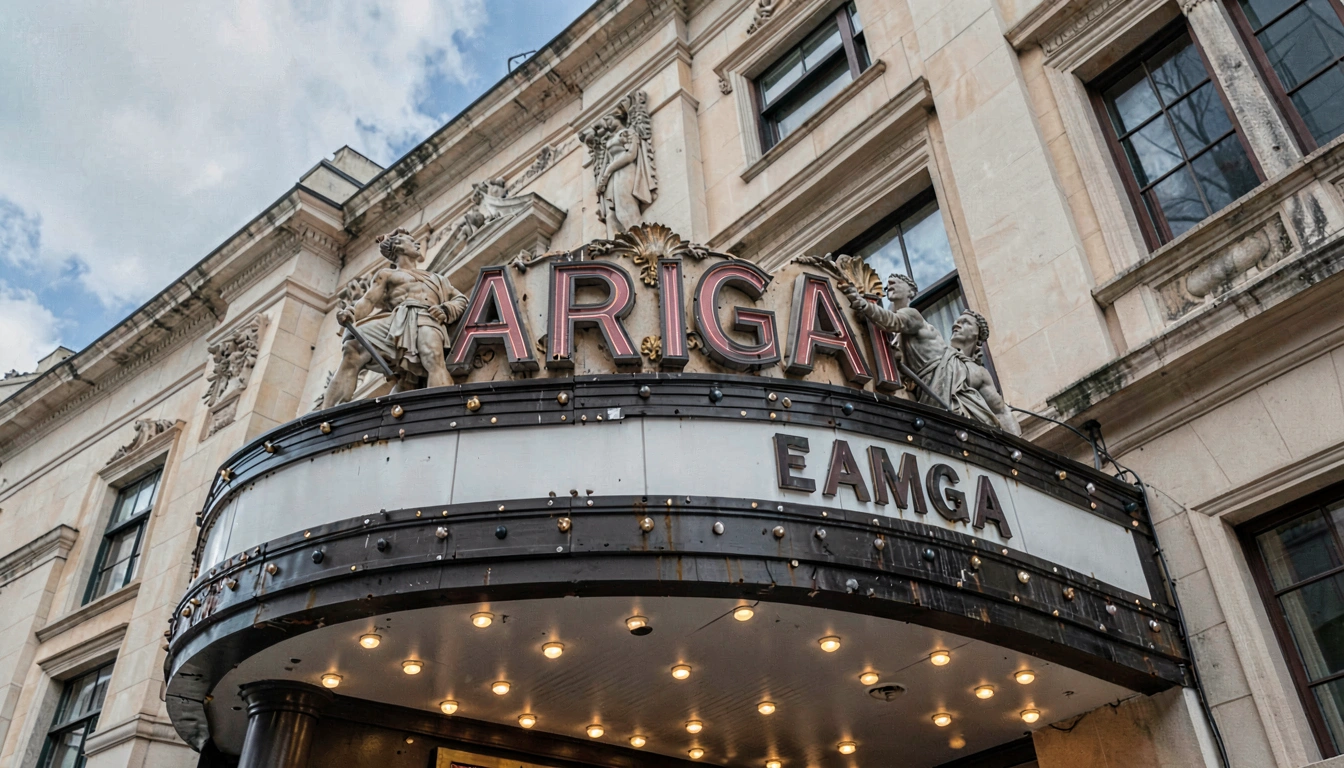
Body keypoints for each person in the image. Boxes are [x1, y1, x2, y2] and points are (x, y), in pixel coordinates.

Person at [842, 275, 1020, 435]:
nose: (956, 325)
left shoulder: (975, 370)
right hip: (934, 412)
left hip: (968, 419)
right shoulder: (907, 336)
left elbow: (1000, 411)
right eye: (956, 322)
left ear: (976, 335)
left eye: (965, 323)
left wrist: (1017, 449)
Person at [320, 228, 468, 408]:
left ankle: (440, 410)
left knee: (433, 359)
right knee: (352, 348)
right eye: (410, 240)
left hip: (426, 317)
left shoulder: (437, 279)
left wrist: (446, 309)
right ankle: (326, 415)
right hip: (396, 323)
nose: (416, 243)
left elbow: (461, 299)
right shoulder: (387, 274)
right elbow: (368, 300)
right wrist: (352, 312)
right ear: (398, 245)